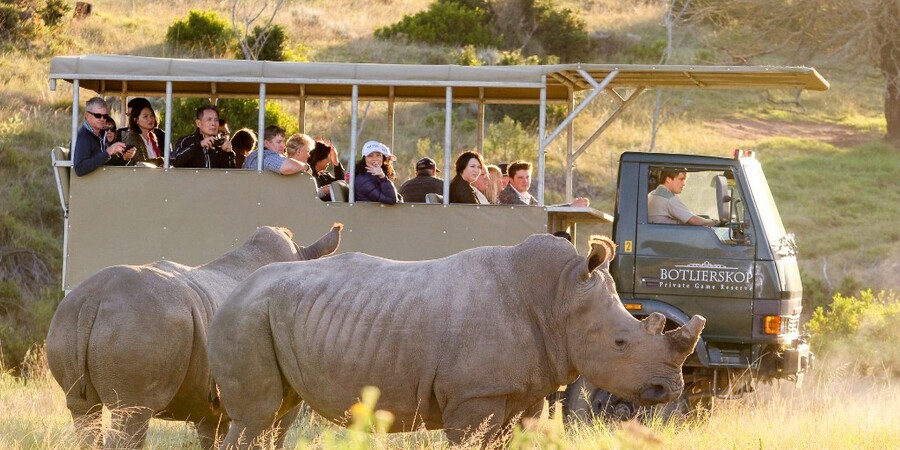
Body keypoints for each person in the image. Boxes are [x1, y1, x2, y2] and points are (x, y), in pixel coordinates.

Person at [73, 96, 134, 176]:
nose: (102, 119)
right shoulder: (84, 137)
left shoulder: (100, 136)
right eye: (97, 115)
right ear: (87, 115)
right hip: (90, 185)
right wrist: (108, 152)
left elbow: (105, 164)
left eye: (105, 116)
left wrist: (124, 158)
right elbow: (80, 168)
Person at [499, 160, 589, 207]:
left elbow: (542, 209)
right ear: (510, 179)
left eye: (527, 177)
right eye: (520, 178)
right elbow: (538, 212)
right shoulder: (507, 195)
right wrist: (570, 206)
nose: (525, 181)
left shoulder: (526, 196)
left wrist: (571, 207)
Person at [648, 168, 720, 226]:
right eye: (681, 179)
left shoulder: (652, 194)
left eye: (685, 180)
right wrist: (714, 222)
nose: (684, 184)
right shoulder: (670, 199)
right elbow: (694, 221)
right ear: (668, 179)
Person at [171, 105, 235, 168]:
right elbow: (174, 160)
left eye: (216, 120)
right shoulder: (186, 141)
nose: (213, 124)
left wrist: (228, 153)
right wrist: (199, 145)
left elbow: (231, 174)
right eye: (209, 120)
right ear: (198, 123)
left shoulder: (220, 145)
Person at [242, 125, 310, 175]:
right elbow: (287, 168)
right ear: (266, 143)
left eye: (283, 141)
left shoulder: (254, 155)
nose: (283, 145)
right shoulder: (268, 156)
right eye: (279, 142)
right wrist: (306, 167)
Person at [122, 102, 164, 167]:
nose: (150, 119)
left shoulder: (152, 137)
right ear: (136, 120)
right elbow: (140, 163)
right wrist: (161, 160)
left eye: (152, 115)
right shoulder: (132, 136)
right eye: (145, 116)